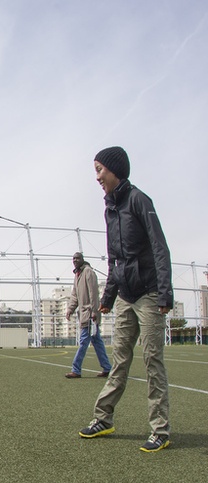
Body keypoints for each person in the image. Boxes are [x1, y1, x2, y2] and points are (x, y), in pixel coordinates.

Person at [78, 146, 174, 453]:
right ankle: (103, 418)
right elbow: (115, 258)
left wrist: (165, 292)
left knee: (152, 362)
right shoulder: (110, 208)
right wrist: (108, 297)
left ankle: (160, 429)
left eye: (99, 170)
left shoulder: (139, 200)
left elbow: (160, 247)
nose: (97, 177)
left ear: (115, 169)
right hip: (125, 297)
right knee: (119, 361)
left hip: (148, 295)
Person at [64, 251, 111, 379]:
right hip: (84, 313)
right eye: (73, 258)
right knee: (97, 341)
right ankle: (107, 367)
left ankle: (76, 369)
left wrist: (95, 311)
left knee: (83, 341)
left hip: (89, 314)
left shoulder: (88, 272)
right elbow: (75, 295)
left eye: (77, 258)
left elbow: (93, 293)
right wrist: (70, 309)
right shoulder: (77, 275)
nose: (75, 260)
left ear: (82, 259)